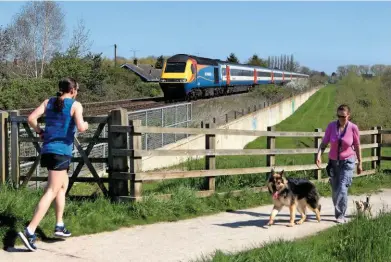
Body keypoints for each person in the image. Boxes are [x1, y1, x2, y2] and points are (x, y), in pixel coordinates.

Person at [18, 77, 89, 251]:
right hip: (61, 152)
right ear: (72, 91)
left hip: (48, 150)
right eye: (77, 90)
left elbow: (31, 118)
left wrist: (40, 132)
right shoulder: (75, 105)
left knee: (62, 186)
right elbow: (80, 127)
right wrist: (86, 125)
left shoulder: (48, 102)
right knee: (51, 190)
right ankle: (30, 230)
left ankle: (59, 225)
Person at [316, 104, 362, 224]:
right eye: (339, 116)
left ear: (348, 116)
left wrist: (360, 163)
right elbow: (324, 143)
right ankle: (339, 212)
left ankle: (341, 215)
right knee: (335, 190)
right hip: (333, 163)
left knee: (342, 188)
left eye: (343, 116)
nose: (341, 118)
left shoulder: (353, 128)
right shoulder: (331, 126)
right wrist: (318, 155)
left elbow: (357, 146)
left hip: (348, 161)